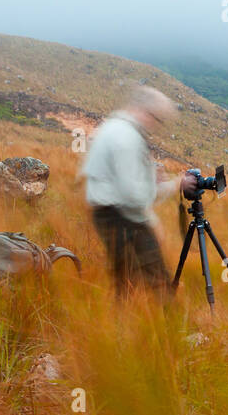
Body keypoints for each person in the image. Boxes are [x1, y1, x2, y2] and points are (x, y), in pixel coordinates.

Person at [80, 86, 196, 294]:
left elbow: (120, 179)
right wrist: (174, 186)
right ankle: (172, 324)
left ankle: (123, 322)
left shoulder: (114, 127)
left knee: (125, 282)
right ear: (145, 112)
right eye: (157, 119)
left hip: (108, 214)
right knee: (158, 281)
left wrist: (150, 179)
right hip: (123, 218)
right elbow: (134, 196)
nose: (156, 126)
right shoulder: (127, 138)